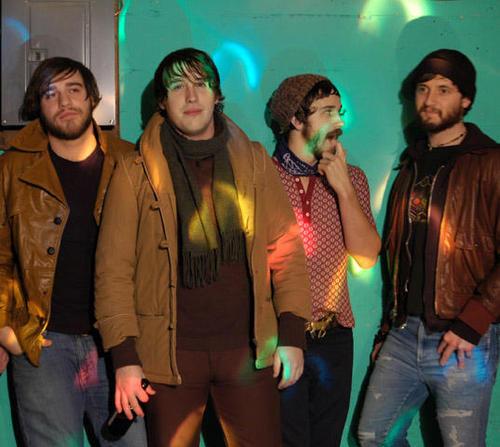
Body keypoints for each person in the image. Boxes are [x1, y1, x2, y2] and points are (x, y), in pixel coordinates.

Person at [94, 47, 311, 447]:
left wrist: (293, 334)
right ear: (162, 101)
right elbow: (113, 272)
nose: (191, 96)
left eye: (201, 84)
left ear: (217, 94)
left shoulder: (254, 161)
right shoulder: (135, 171)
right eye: (178, 86)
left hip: (249, 352)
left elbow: (287, 251)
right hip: (169, 358)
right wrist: (124, 358)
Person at [0, 57, 146, 446]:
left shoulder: (130, 161)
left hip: (117, 343)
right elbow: (0, 256)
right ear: (38, 105)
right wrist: (6, 329)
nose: (64, 102)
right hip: (44, 343)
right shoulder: (13, 167)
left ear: (93, 98)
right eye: (51, 94)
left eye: (74, 90)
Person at [358, 49, 500, 446]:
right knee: (373, 436)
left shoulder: (490, 162)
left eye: (443, 89)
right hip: (405, 333)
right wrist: (387, 328)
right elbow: (399, 255)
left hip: (463, 338)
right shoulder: (411, 164)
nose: (429, 99)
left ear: (466, 99)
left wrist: (473, 321)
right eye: (423, 89)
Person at [268, 74, 381, 447]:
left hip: (334, 336)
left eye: (339, 112)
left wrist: (343, 187)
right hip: (281, 335)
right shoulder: (262, 176)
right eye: (327, 112)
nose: (338, 122)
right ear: (296, 119)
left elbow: (366, 257)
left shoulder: (353, 178)